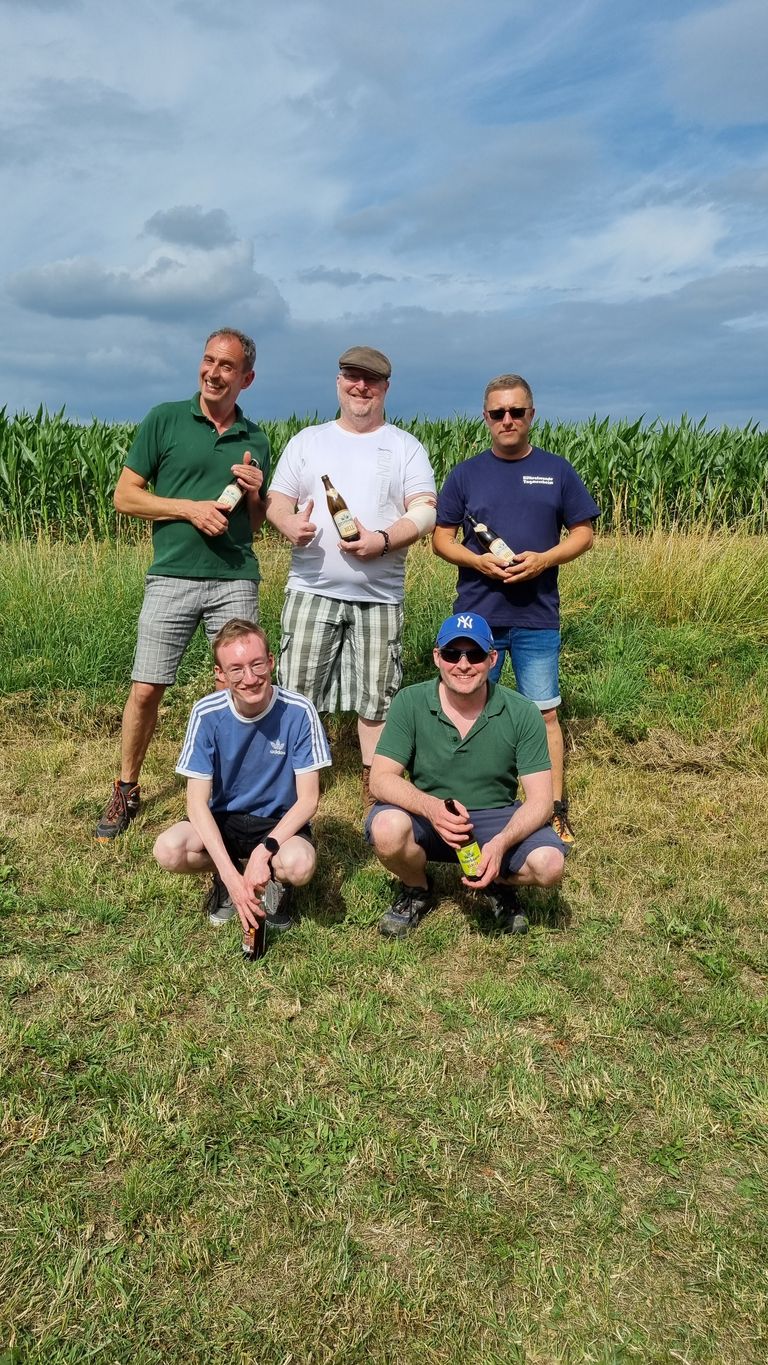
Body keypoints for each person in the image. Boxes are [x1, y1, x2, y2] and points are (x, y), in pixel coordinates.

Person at [96, 328, 271, 841]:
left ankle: (243, 796)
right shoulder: (165, 418)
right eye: (208, 361)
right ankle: (127, 786)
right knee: (147, 687)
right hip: (171, 575)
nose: (213, 373)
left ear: (246, 378)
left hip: (235, 577)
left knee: (245, 688)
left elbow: (253, 525)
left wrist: (257, 497)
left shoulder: (255, 439)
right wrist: (188, 509)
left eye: (227, 367)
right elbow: (125, 497)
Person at [432, 373, 599, 845]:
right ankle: (463, 805)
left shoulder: (557, 470)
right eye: (497, 413)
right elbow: (441, 540)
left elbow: (584, 533)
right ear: (486, 417)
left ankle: (554, 809)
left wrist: (545, 559)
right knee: (466, 708)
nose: (507, 420)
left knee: (543, 714)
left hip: (536, 615)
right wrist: (478, 560)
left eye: (516, 412)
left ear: (532, 414)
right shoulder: (465, 474)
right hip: (476, 617)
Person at [265, 346, 437, 805]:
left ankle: (374, 782)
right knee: (298, 690)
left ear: (386, 388)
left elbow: (425, 511)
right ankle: (296, 779)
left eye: (372, 380)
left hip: (380, 594)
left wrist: (381, 539)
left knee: (378, 695)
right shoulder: (307, 441)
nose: (360, 386)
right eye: (352, 377)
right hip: (311, 589)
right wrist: (286, 522)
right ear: (338, 381)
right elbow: (276, 500)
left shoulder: (405, 446)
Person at [366, 612, 567, 939]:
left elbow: (542, 800)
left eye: (474, 654)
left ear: (492, 658)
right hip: (430, 818)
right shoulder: (410, 701)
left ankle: (497, 881)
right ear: (437, 658)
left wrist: (501, 843)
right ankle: (417, 889)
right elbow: (381, 778)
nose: (463, 664)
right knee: (387, 828)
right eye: (451, 654)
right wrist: (430, 808)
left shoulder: (522, 711)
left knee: (549, 865)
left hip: (496, 819)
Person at [153, 619, 331, 937]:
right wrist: (230, 874)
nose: (250, 678)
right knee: (168, 850)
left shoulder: (300, 711)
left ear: (271, 662)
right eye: (236, 669)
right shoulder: (206, 713)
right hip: (224, 820)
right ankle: (228, 879)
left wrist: (264, 851)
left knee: (299, 865)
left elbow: (308, 800)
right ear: (220, 674)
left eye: (257, 664)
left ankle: (275, 882)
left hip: (279, 823)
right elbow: (195, 804)